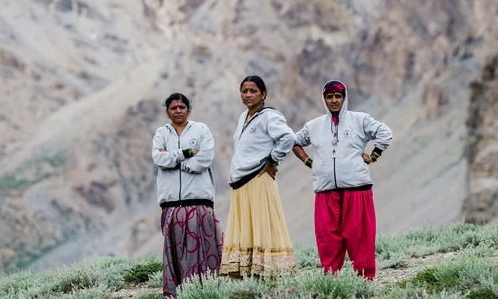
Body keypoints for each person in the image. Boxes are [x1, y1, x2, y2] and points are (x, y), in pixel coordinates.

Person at [292, 79, 392, 280]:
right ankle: (331, 280)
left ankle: (364, 280)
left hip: (357, 189)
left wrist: (373, 156)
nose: (334, 100)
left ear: (345, 98)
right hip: (325, 191)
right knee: (328, 239)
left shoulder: (360, 120)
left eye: (338, 96)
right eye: (329, 97)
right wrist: (308, 161)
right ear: (324, 99)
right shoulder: (314, 126)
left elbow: (385, 134)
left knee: (360, 237)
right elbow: (293, 142)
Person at [219, 75, 297, 278]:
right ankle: (248, 271)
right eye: (244, 91)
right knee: (248, 226)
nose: (248, 95)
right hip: (242, 182)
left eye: (253, 91)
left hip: (258, 179)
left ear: (263, 94)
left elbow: (288, 138)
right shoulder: (242, 117)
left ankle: (268, 272)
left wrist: (272, 159)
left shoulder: (270, 116)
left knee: (262, 224)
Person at [151, 93, 224, 299]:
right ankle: (177, 293)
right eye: (173, 107)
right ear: (167, 111)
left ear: (188, 109)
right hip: (172, 204)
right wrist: (186, 153)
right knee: (176, 252)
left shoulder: (201, 130)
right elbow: (158, 158)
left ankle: (206, 291)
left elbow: (204, 159)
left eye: (182, 107)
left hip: (199, 200)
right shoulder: (161, 133)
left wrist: (174, 161)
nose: (178, 110)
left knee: (202, 249)